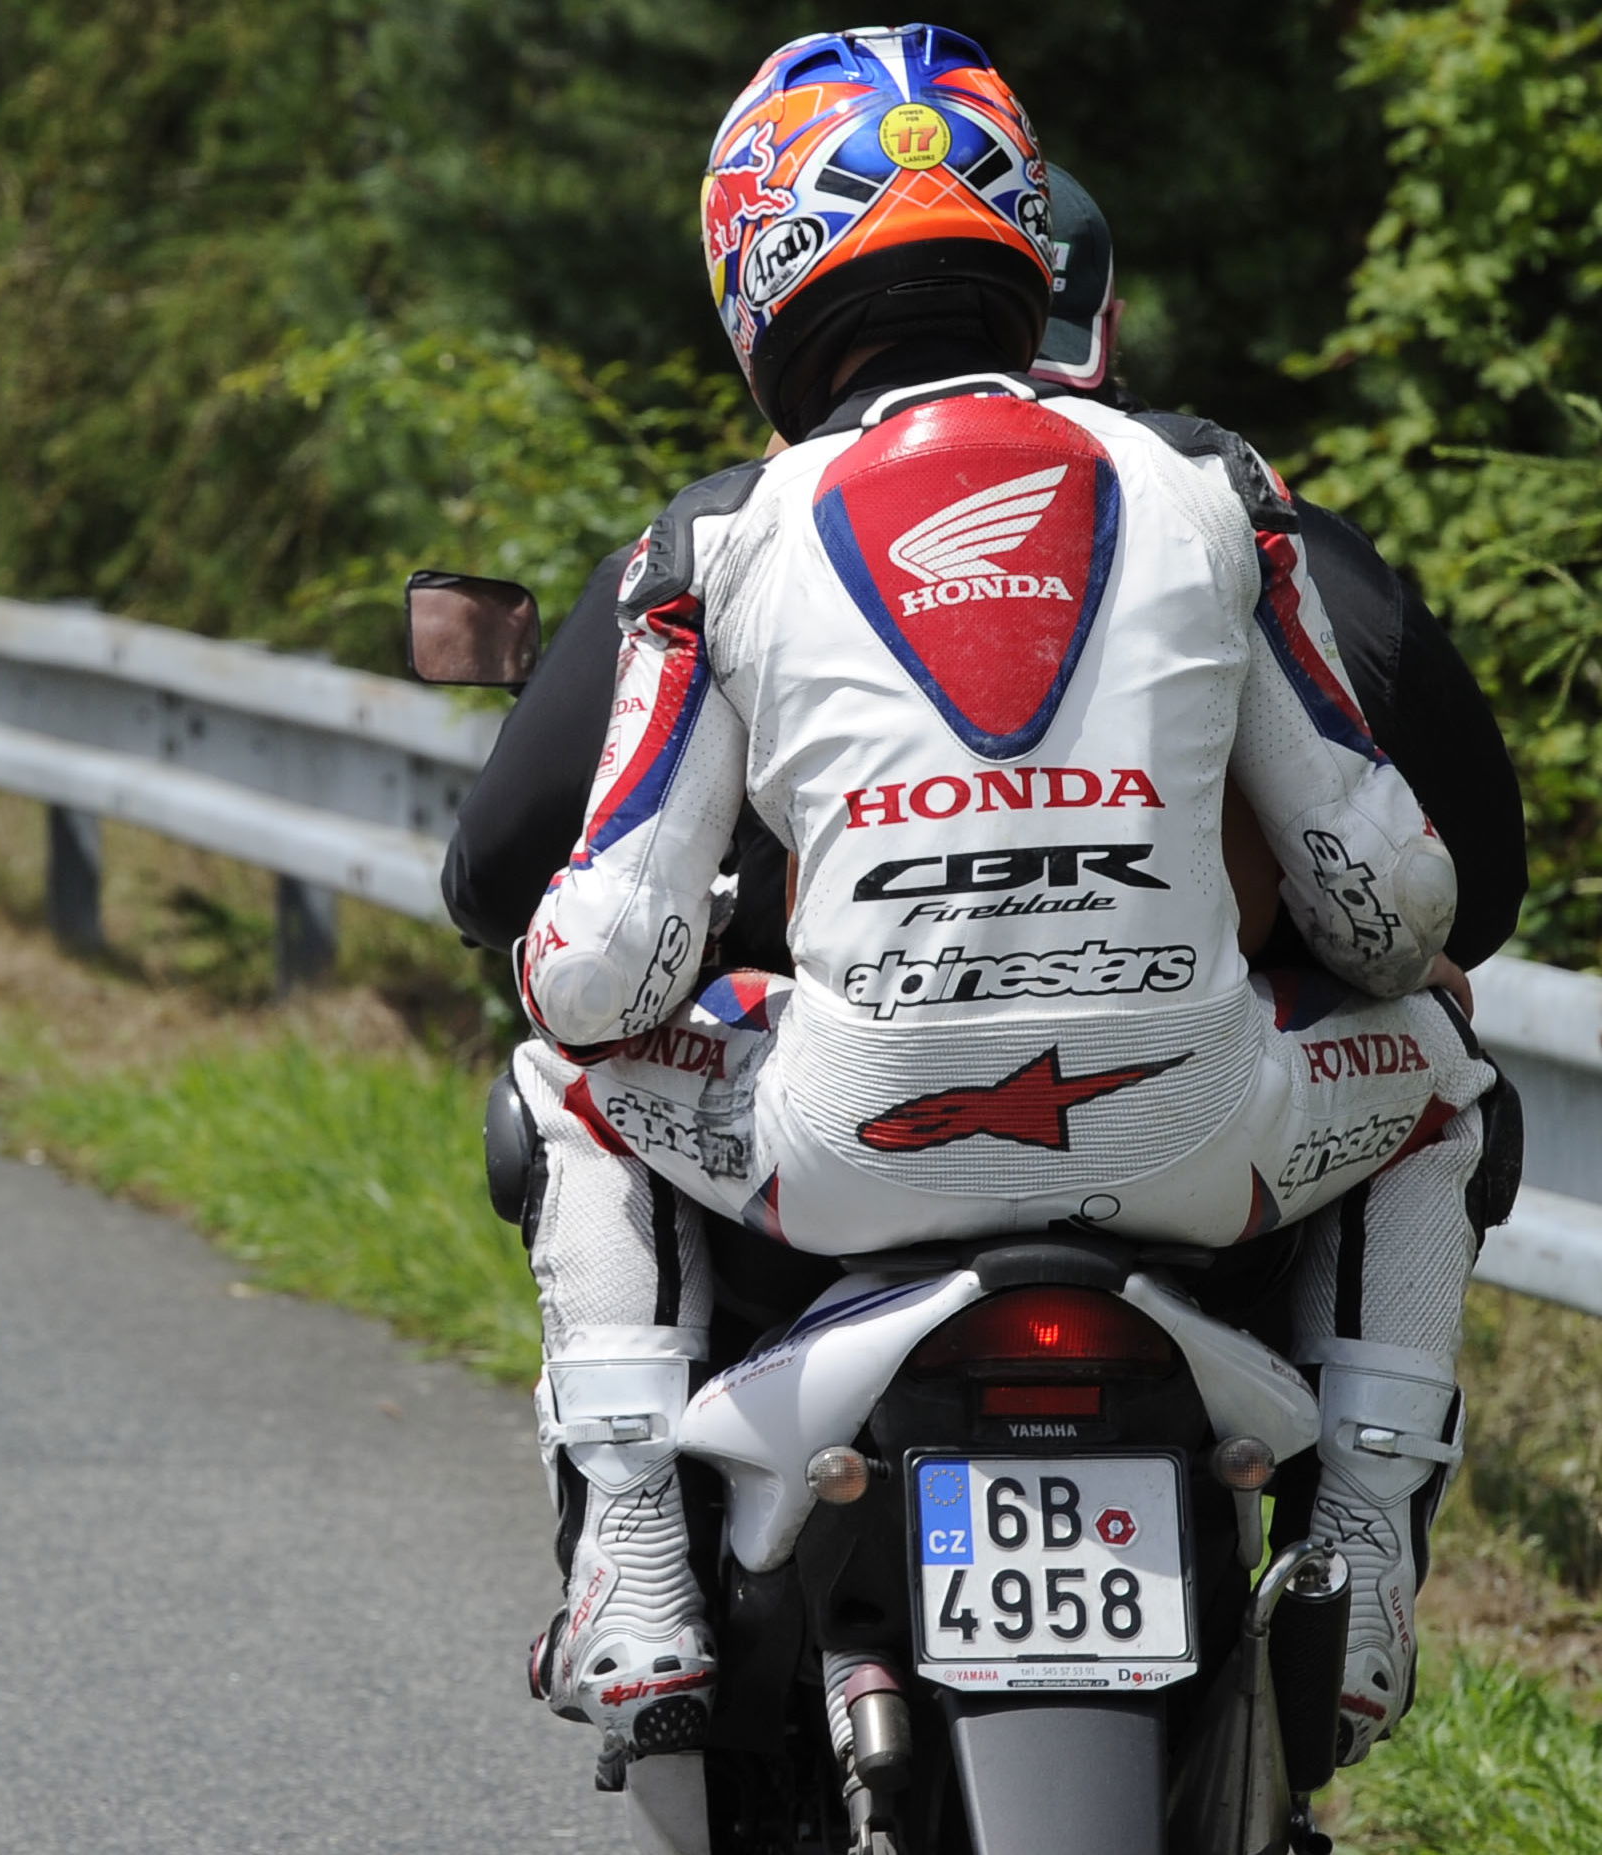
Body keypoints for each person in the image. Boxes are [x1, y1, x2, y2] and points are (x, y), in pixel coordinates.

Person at [463, 25, 1519, 1780]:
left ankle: (634, 1556)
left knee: (557, 1082)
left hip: (846, 1150)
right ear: (1023, 231)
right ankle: (1360, 1555)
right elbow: (1391, 912)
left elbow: (598, 974)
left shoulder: (714, 545)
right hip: (1199, 1140)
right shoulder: (1212, 493)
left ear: (751, 261)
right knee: (1440, 1068)